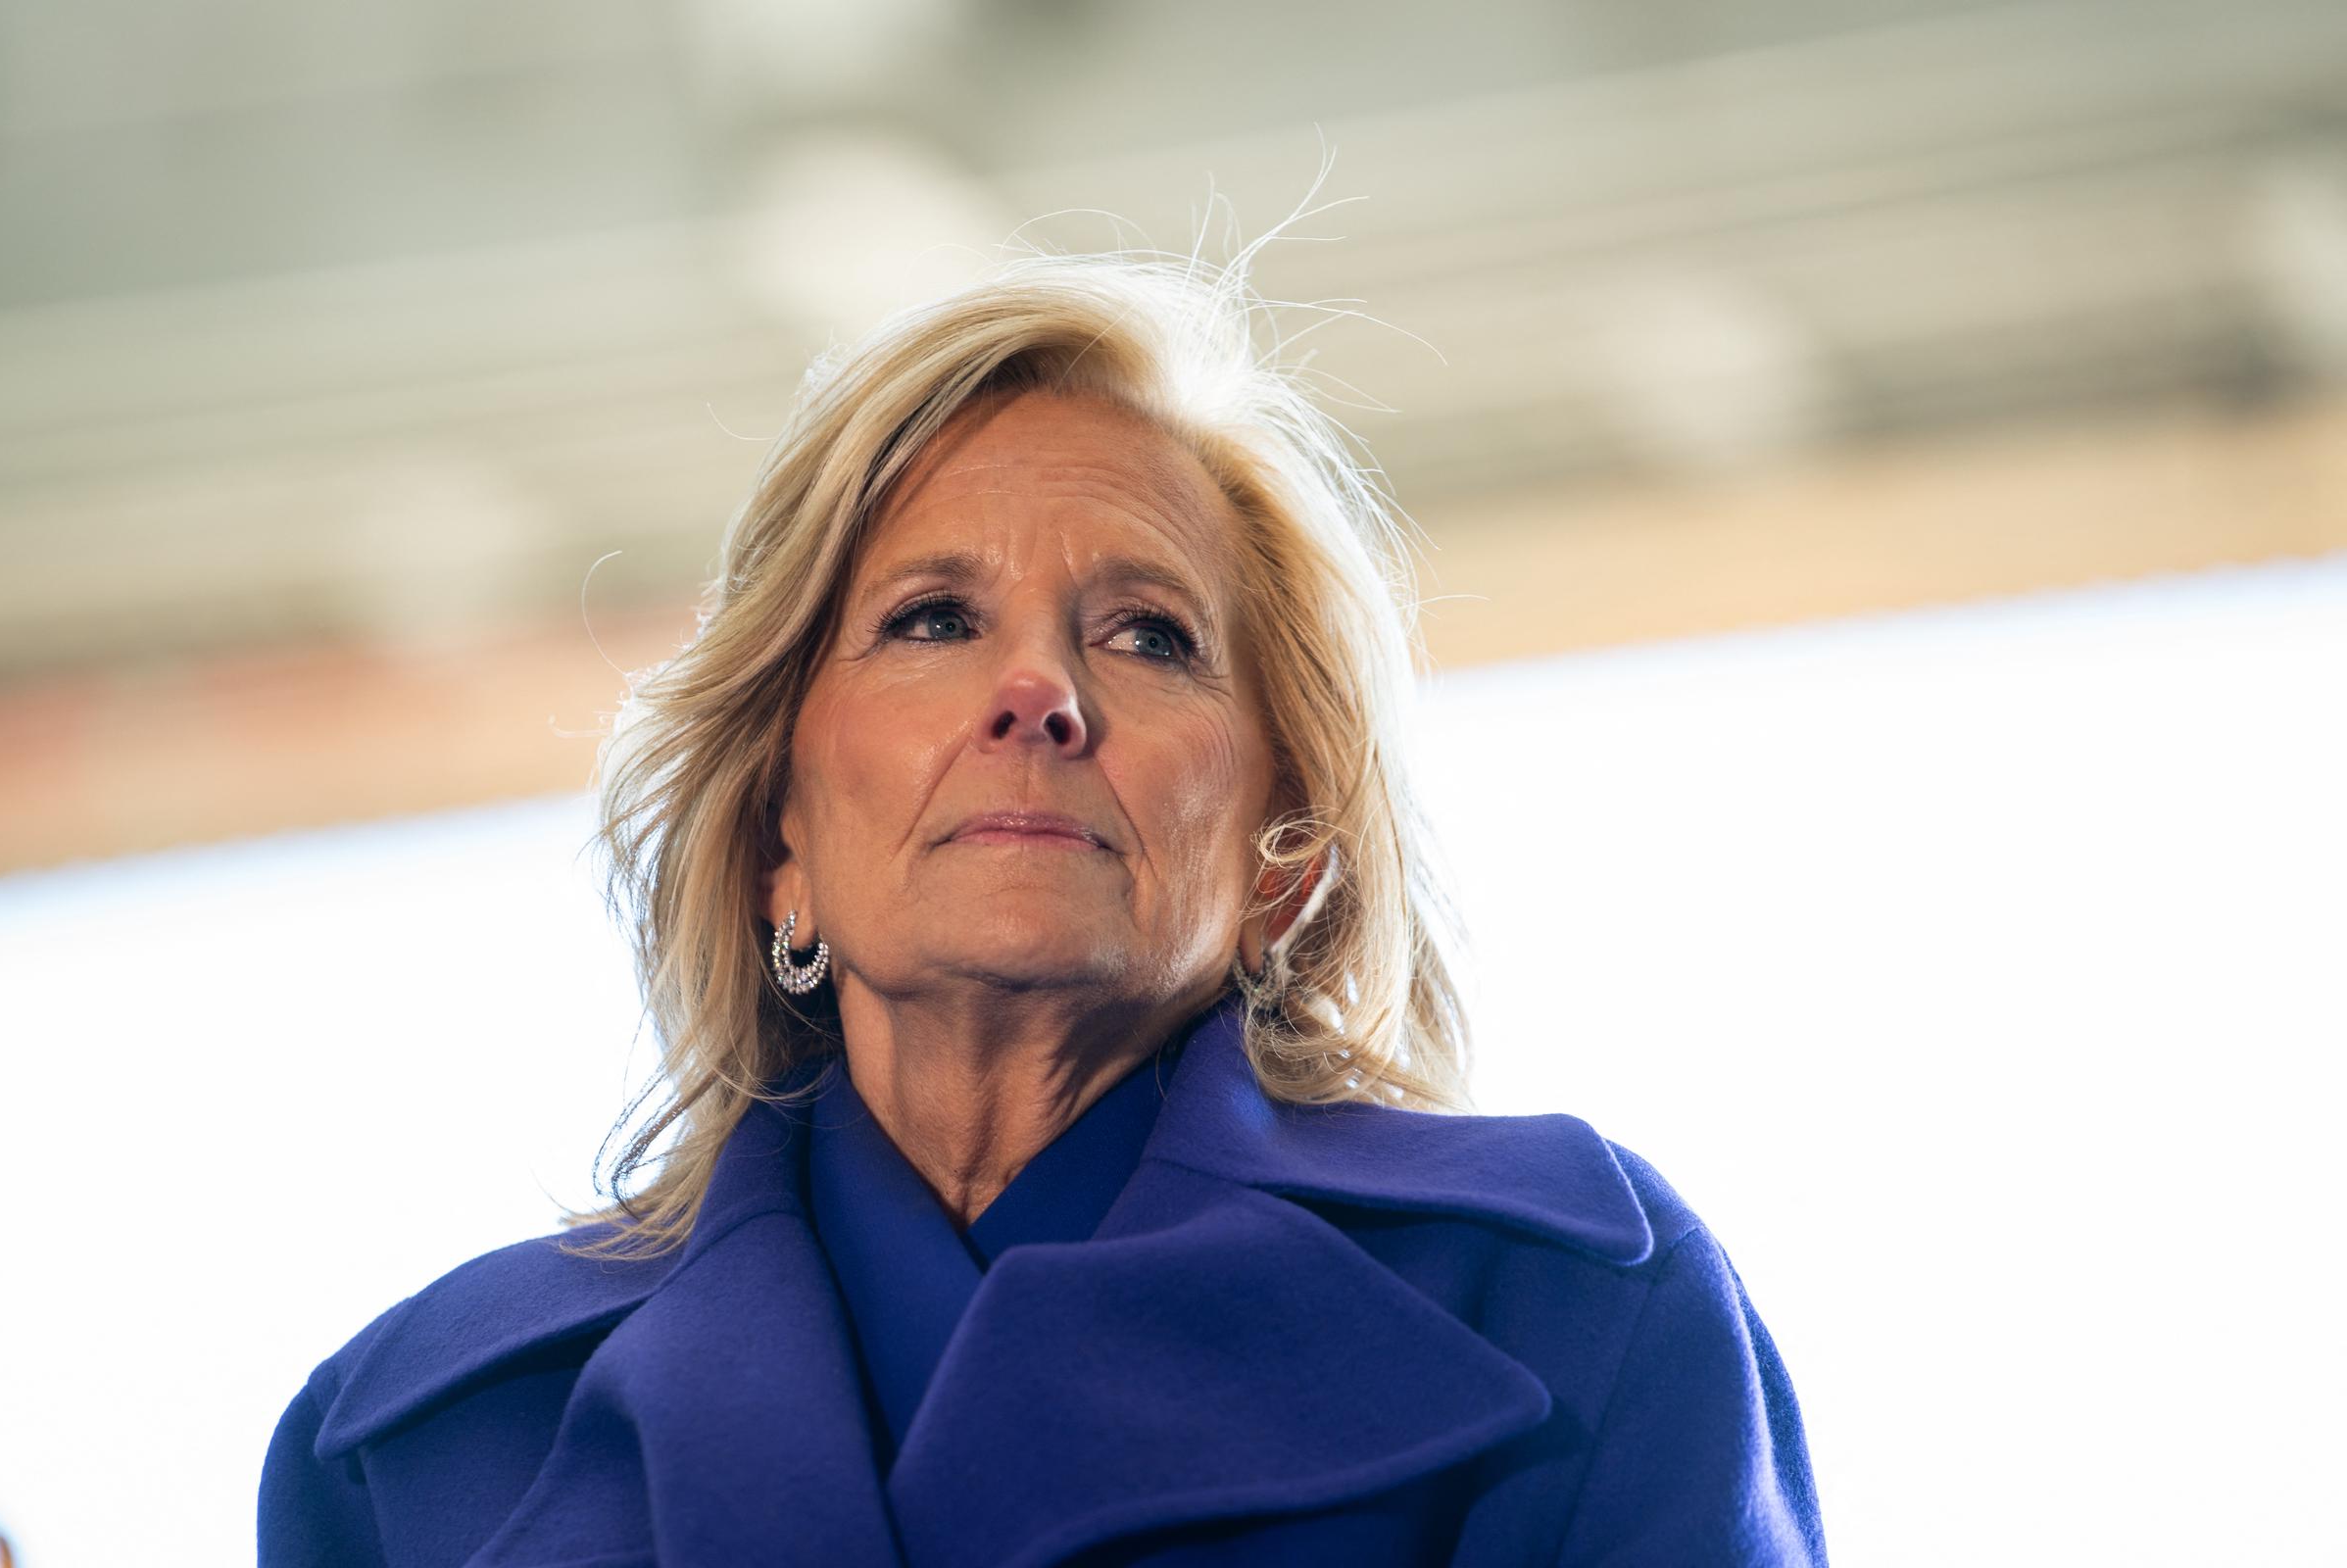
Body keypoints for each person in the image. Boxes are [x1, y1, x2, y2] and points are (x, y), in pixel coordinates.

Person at [258, 248, 1827, 1567]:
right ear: (773, 843)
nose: (1037, 693)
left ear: (1284, 861)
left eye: (1149, 637)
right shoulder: (408, 1449)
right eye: (933, 618)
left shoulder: (1568, 1310)